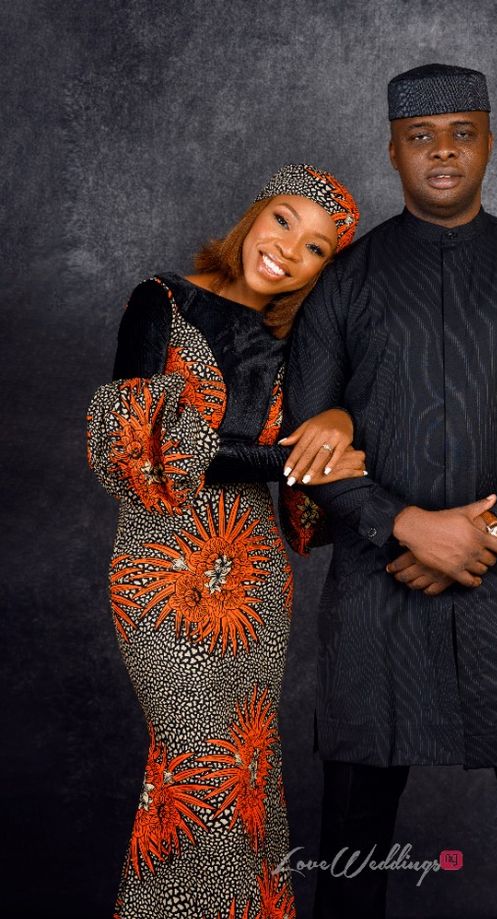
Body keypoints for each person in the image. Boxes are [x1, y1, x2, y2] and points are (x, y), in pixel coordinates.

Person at [279, 64, 497, 919]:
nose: (443, 151)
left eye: (462, 133)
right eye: (422, 135)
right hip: (375, 594)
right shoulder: (343, 281)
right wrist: (404, 527)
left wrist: (491, 530)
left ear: (490, 143)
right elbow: (307, 441)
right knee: (351, 856)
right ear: (392, 150)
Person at [85, 163, 363, 919]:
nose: (287, 250)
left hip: (256, 578)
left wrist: (336, 430)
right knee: (194, 766)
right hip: (160, 568)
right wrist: (293, 454)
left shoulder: (303, 342)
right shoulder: (163, 301)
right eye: (283, 220)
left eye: (315, 248)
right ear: (254, 213)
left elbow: (328, 473)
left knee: (245, 771)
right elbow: (150, 444)